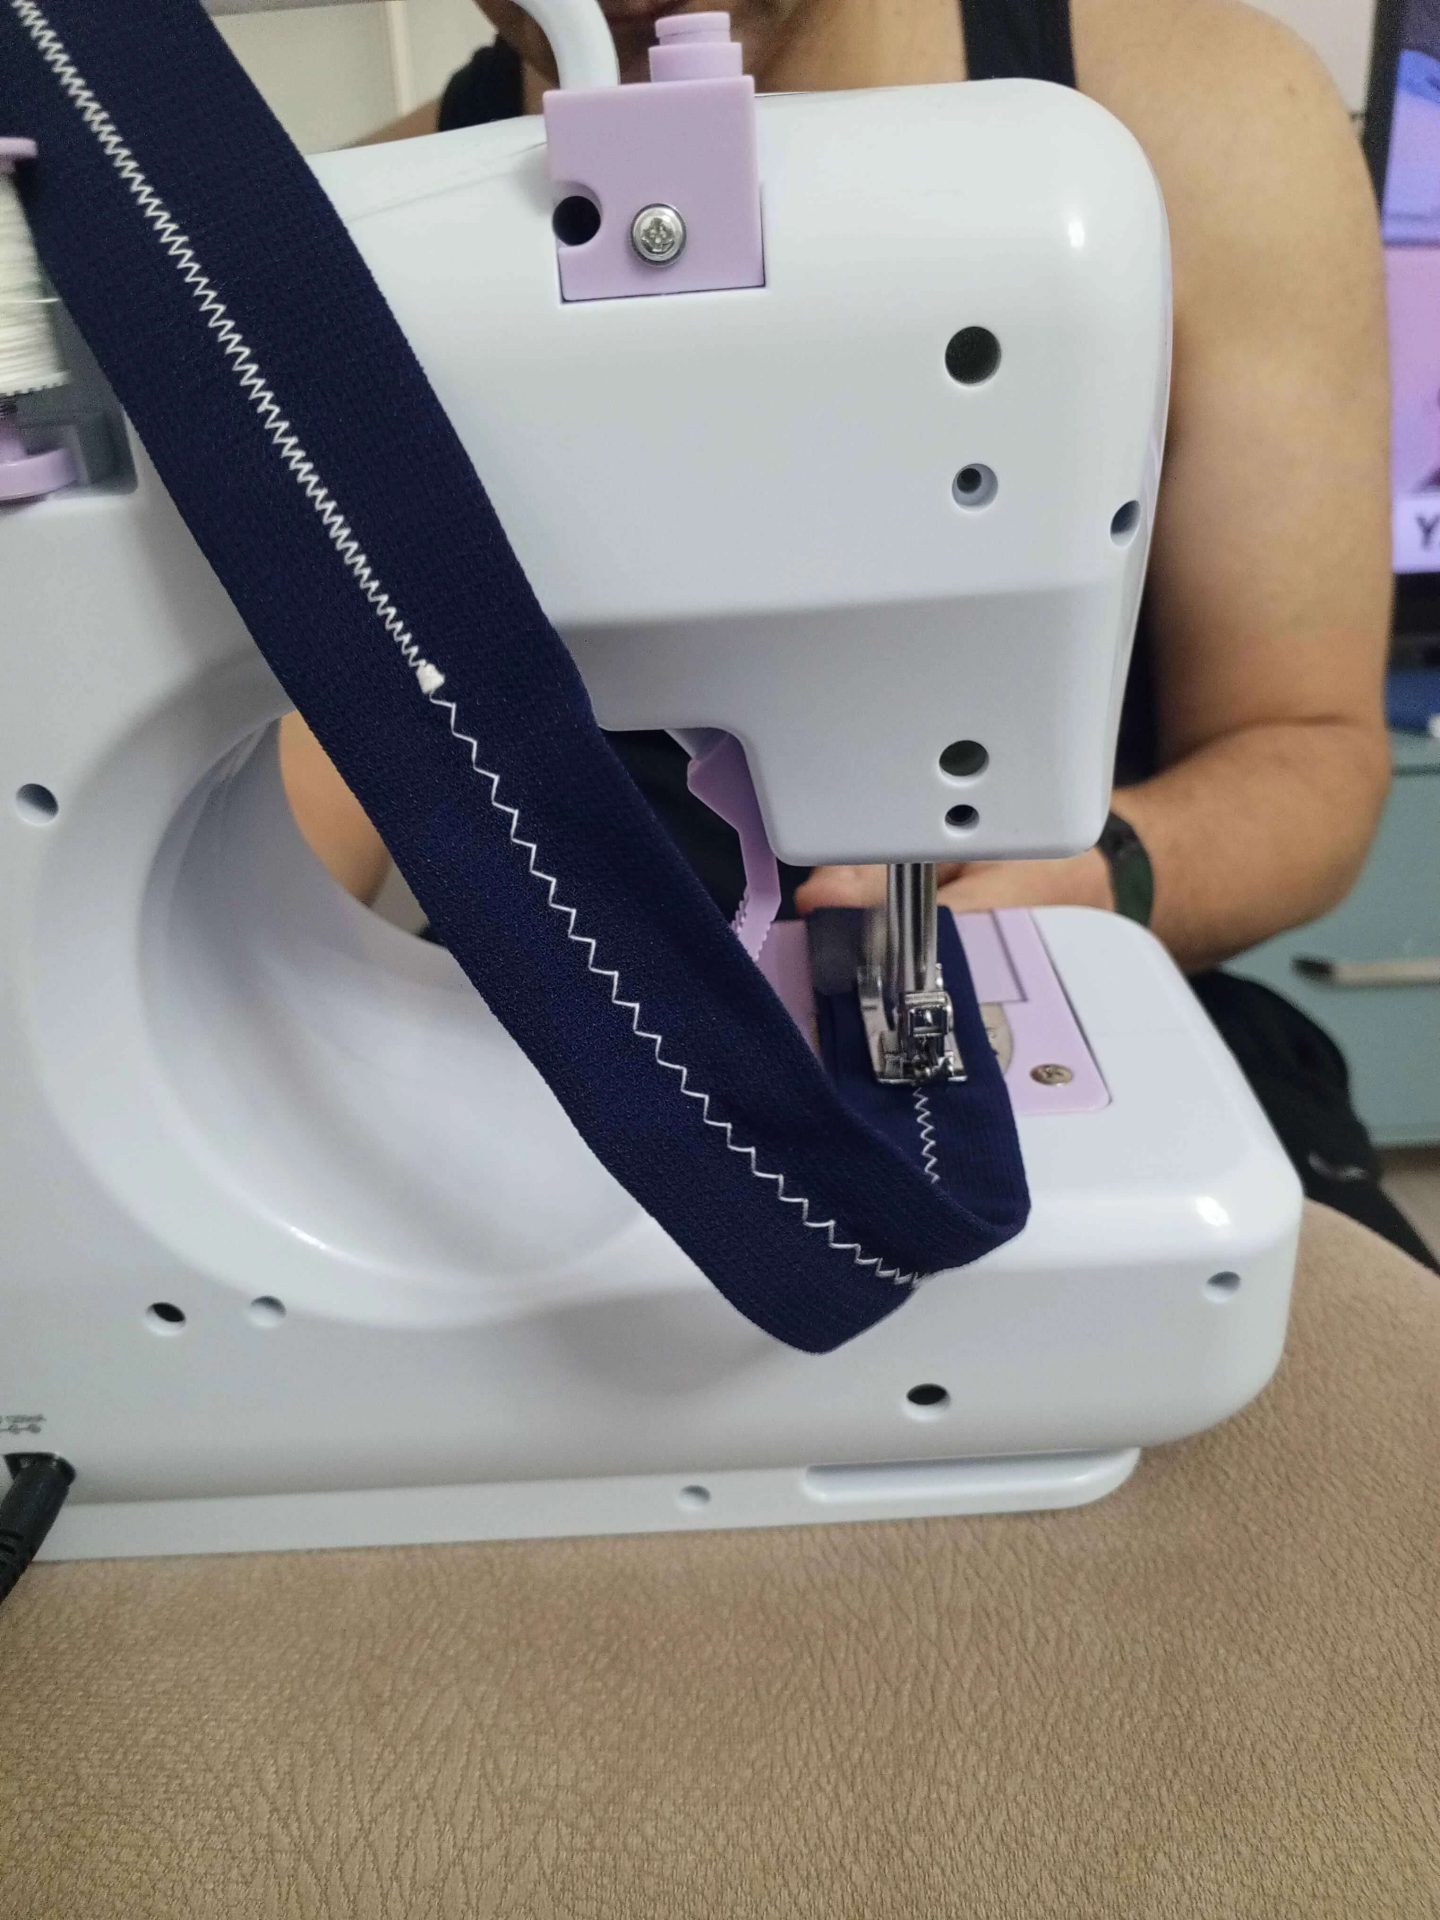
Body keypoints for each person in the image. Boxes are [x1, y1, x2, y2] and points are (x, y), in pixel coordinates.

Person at [284, 0, 1435, 1267]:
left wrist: (1102, 875)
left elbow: (1306, 747)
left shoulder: (1214, 120)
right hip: (576, 1034)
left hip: (1078, 942)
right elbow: (288, 776)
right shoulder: (329, 243)